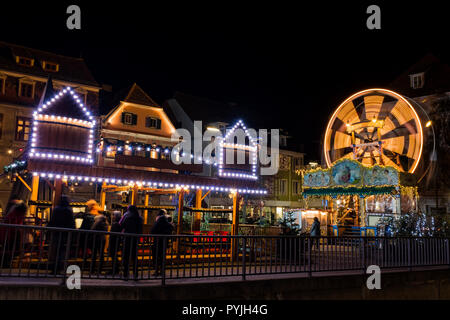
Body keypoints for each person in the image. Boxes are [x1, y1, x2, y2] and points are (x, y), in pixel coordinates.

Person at [47, 196, 75, 272]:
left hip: (56, 232)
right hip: (65, 233)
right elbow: (71, 222)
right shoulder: (69, 210)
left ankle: (54, 267)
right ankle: (60, 267)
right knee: (62, 250)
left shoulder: (56, 209)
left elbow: (52, 220)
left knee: (56, 249)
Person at [0, 201, 28, 268]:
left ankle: (6, 263)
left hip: (7, 235)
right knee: (8, 250)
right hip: (9, 236)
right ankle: (6, 264)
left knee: (7, 250)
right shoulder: (17, 214)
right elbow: (16, 225)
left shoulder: (14, 213)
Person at [119, 205, 143, 280]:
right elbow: (140, 229)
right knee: (134, 257)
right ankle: (135, 275)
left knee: (126, 257)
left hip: (127, 238)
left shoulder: (126, 216)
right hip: (135, 239)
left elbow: (121, 224)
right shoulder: (139, 218)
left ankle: (126, 274)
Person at [150, 209, 174, 276]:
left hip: (157, 242)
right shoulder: (168, 224)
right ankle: (162, 271)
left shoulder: (158, 222)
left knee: (156, 256)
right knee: (162, 257)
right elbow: (171, 229)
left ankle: (156, 270)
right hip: (164, 242)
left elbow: (152, 231)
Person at [108, 211, 122, 275]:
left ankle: (115, 269)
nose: (112, 217)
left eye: (113, 215)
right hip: (116, 241)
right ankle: (115, 268)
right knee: (114, 255)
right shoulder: (119, 223)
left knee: (113, 255)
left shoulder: (115, 224)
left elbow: (113, 234)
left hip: (114, 242)